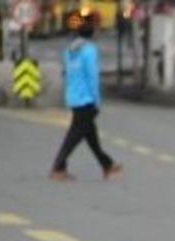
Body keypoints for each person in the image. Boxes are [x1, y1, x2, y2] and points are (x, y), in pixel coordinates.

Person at [50, 17, 121, 180]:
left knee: (90, 135)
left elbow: (66, 73)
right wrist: (97, 100)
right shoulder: (89, 50)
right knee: (74, 136)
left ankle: (107, 165)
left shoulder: (70, 50)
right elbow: (92, 77)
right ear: (92, 33)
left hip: (73, 97)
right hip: (86, 99)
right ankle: (58, 167)